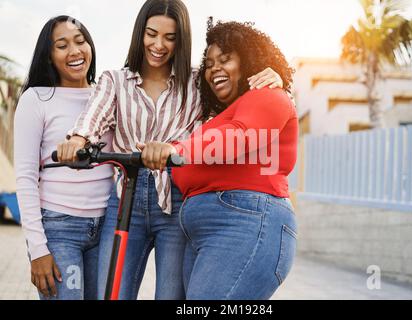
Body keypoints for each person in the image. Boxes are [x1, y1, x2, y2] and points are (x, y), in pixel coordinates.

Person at [58, 0, 283, 300]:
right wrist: (77, 142)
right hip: (125, 200)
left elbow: (235, 105)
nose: (158, 45)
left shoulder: (195, 82)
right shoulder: (115, 81)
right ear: (140, 34)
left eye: (170, 37)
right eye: (151, 34)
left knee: (172, 297)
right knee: (110, 293)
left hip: (177, 204)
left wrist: (275, 76)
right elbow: (91, 120)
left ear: (181, 41)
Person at [138, 19, 298, 299]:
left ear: (249, 62)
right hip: (206, 234)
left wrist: (175, 151)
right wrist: (173, 148)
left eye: (225, 60)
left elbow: (238, 137)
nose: (214, 70)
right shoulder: (220, 117)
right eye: (209, 64)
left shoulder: (269, 96)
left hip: (245, 225)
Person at [14, 15, 114, 300]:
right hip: (59, 228)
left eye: (80, 41)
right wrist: (37, 249)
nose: (74, 51)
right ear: (49, 56)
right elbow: (26, 177)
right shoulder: (36, 99)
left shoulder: (106, 97)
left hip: (106, 227)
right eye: (62, 45)